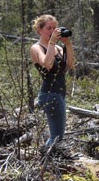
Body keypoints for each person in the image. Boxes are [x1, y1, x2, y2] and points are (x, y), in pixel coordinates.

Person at [30, 14, 76, 146]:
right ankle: (46, 159)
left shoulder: (58, 48)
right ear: (39, 30)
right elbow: (48, 64)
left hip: (59, 93)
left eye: (54, 28)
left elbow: (71, 64)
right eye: (49, 28)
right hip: (49, 94)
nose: (52, 31)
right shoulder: (36, 48)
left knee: (57, 134)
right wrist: (51, 43)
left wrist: (68, 44)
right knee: (57, 136)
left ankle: (48, 159)